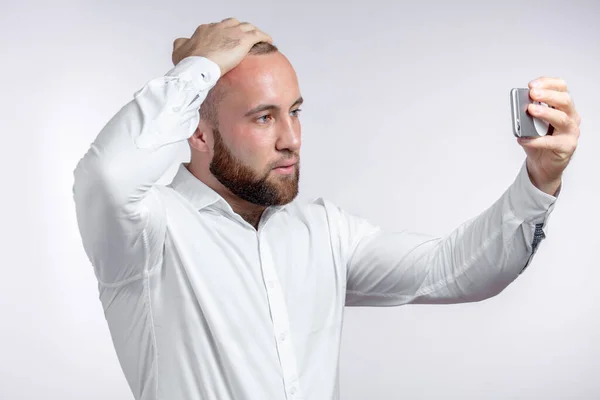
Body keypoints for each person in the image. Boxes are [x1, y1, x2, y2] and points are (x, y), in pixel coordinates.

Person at [72, 17, 581, 400]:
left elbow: (456, 271)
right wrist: (198, 68)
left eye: (294, 112)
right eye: (264, 117)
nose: (291, 139)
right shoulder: (147, 233)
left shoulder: (323, 233)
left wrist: (542, 178)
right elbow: (107, 177)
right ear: (198, 131)